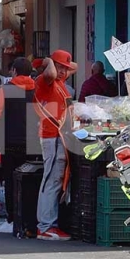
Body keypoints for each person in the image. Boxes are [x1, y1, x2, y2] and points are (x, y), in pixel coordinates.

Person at [34, 49, 77, 241]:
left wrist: (62, 64)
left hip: (60, 137)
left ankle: (50, 224)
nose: (62, 71)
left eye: (64, 68)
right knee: (51, 179)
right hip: (51, 135)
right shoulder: (45, 81)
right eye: (59, 67)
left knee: (56, 179)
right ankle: (45, 226)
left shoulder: (60, 83)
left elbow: (73, 67)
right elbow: (51, 73)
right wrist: (47, 62)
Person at [0, 57, 36, 234]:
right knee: (30, 181)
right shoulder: (36, 89)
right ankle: (28, 219)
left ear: (15, 71)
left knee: (10, 180)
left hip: (9, 141)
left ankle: (11, 219)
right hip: (32, 143)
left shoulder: (7, 89)